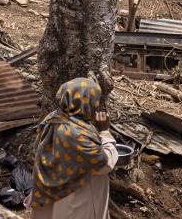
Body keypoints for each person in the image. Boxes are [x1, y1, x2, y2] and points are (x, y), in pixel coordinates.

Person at [29, 77, 119, 219]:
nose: (96, 105)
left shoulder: (53, 118)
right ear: (85, 101)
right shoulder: (75, 133)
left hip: (53, 192)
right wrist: (105, 132)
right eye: (95, 100)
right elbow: (105, 163)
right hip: (77, 199)